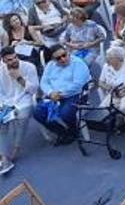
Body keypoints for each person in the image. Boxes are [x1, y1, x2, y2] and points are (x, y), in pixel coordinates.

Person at [34, 44, 91, 145]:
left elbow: (77, 85)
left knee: (65, 113)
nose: (63, 59)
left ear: (67, 52)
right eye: (58, 58)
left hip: (74, 94)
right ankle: (62, 132)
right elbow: (44, 82)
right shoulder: (50, 65)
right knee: (38, 112)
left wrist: (60, 94)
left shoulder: (78, 63)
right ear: (53, 59)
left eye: (64, 55)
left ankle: (73, 131)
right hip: (53, 95)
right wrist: (51, 92)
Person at [0, 46, 38, 175]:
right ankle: (5, 158)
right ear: (3, 61)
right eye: (9, 60)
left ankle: (16, 148)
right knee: (1, 124)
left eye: (15, 57)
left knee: (22, 117)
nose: (14, 61)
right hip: (6, 102)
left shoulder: (28, 67)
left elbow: (34, 90)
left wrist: (19, 78)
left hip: (24, 100)